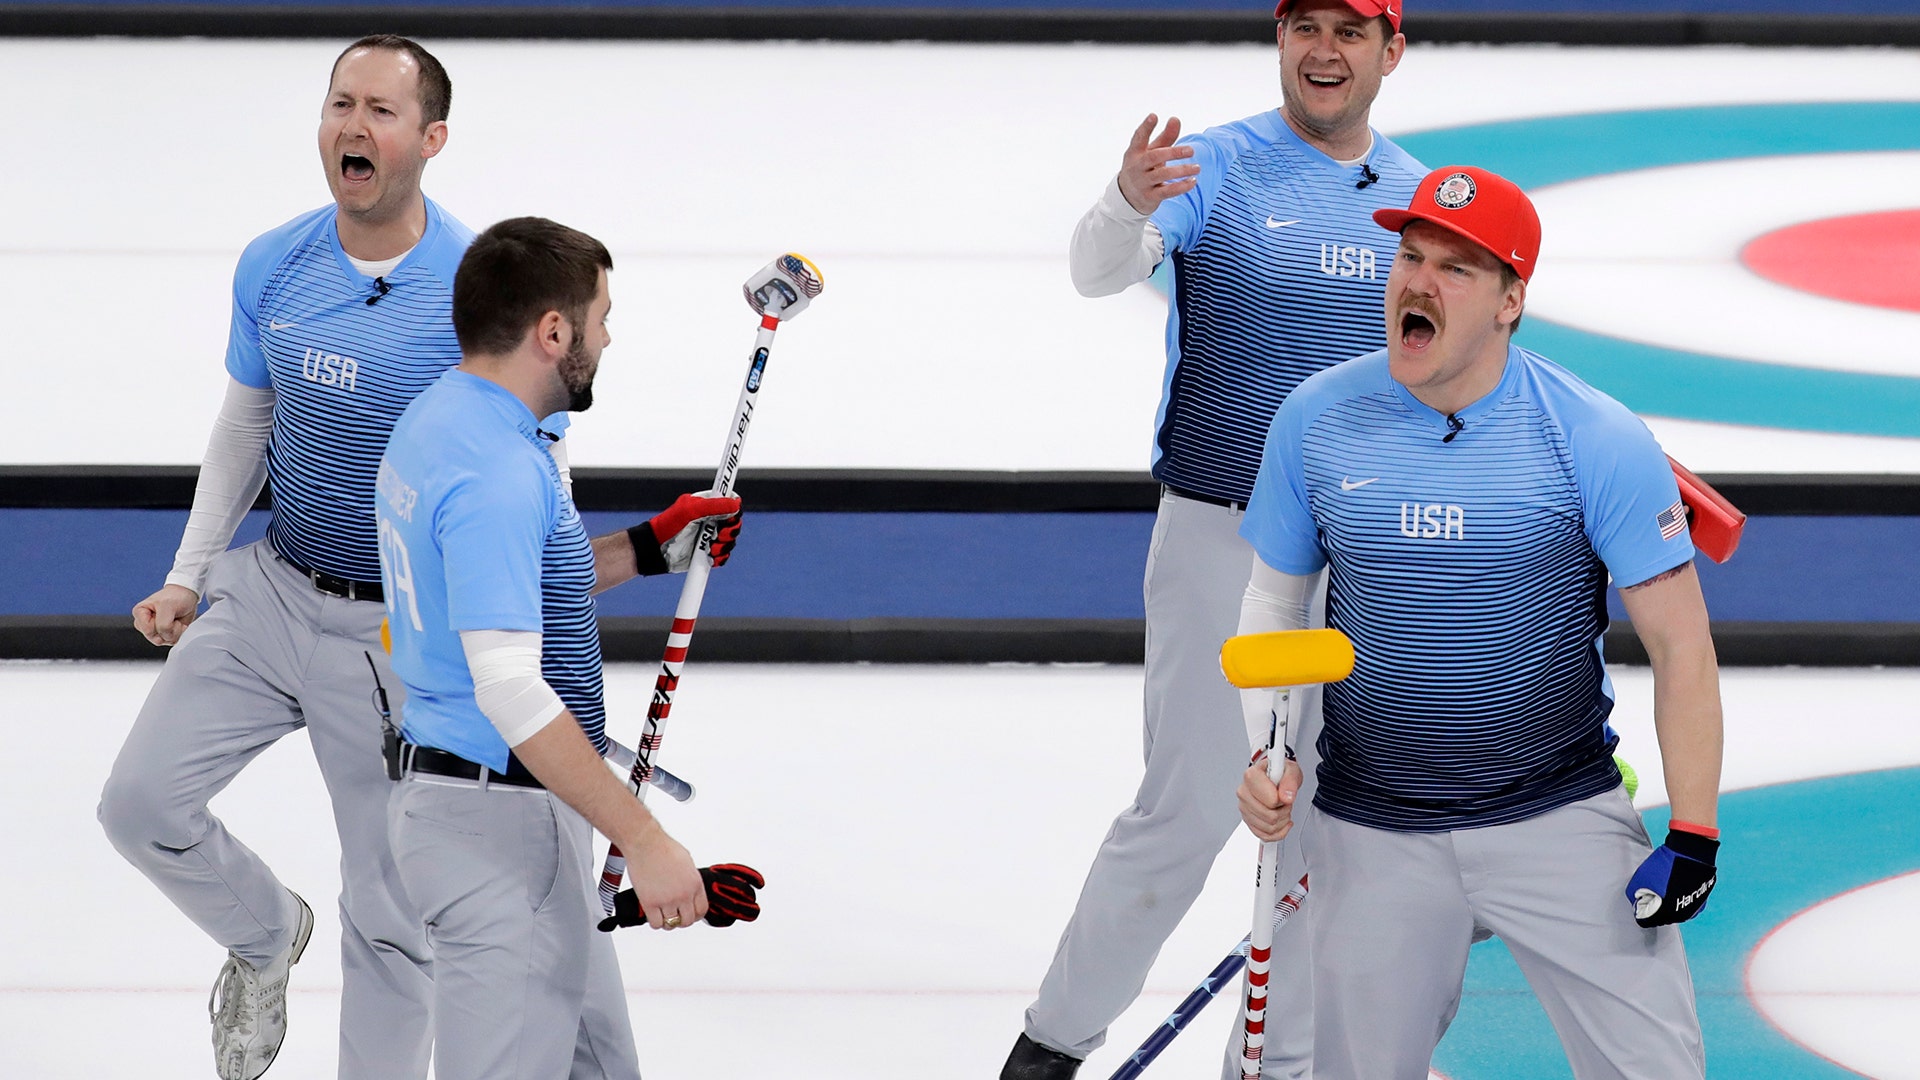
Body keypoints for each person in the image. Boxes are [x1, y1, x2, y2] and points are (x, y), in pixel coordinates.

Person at [94, 37, 704, 1080]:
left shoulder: (477, 298)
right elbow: (247, 425)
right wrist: (191, 571)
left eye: (381, 110)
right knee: (139, 804)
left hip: (391, 638)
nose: (353, 127)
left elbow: (530, 515)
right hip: (273, 584)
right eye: (340, 104)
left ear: (432, 139)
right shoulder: (274, 261)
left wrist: (638, 552)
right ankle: (261, 932)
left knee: (389, 913)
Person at [1234, 165, 1723, 1079]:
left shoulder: (1594, 436)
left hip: (1559, 814)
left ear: (1510, 301)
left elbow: (1681, 645)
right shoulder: (1316, 419)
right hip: (1371, 827)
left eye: (1457, 269)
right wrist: (1268, 755)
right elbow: (1274, 608)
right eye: (1410, 256)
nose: (1418, 281)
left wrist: (1693, 833)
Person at [1007, 2, 1422, 1077]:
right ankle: (1050, 1048)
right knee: (1185, 813)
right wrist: (1121, 200)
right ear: (1280, 39)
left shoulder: (1424, 199)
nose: (1324, 51)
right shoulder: (1215, 166)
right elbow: (1100, 270)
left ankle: (1274, 1067)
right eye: (1305, 27)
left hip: (1364, 560)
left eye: (1351, 31)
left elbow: (1460, 368)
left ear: (1392, 52)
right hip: (1222, 539)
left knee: (1334, 836)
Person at [375, 216, 760, 1080]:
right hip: (498, 831)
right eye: (602, 316)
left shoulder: (444, 420)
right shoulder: (500, 473)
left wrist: (652, 546)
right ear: (554, 332)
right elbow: (510, 687)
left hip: (500, 813)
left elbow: (501, 589)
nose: (608, 335)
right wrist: (648, 841)